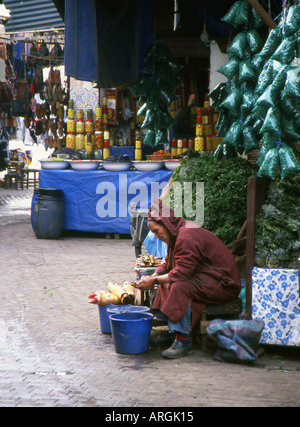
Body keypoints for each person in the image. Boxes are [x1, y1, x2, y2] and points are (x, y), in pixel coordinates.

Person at [135, 197, 241, 359]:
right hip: (206, 277)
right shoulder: (175, 232)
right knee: (167, 280)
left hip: (224, 284)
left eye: (157, 231)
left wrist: (154, 280)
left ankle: (183, 339)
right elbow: (169, 264)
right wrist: (155, 275)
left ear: (166, 223)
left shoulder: (186, 237)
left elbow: (181, 274)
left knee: (180, 285)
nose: (156, 236)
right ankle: (173, 331)